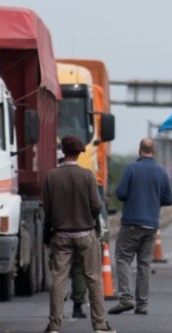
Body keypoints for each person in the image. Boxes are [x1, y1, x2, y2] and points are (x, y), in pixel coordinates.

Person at [42, 136, 113, 333]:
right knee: (93, 279)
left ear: (63, 152)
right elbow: (96, 206)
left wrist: (46, 237)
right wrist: (93, 222)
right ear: (79, 153)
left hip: (61, 235)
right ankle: (100, 325)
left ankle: (54, 325)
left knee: (58, 280)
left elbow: (47, 210)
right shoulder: (87, 176)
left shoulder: (51, 176)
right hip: (85, 234)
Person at [110, 137, 172, 316]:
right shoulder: (162, 172)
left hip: (131, 222)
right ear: (153, 151)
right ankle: (142, 304)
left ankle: (125, 299)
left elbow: (121, 193)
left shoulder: (131, 168)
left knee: (123, 258)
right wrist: (154, 200)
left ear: (140, 151)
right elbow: (169, 199)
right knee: (144, 264)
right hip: (151, 224)